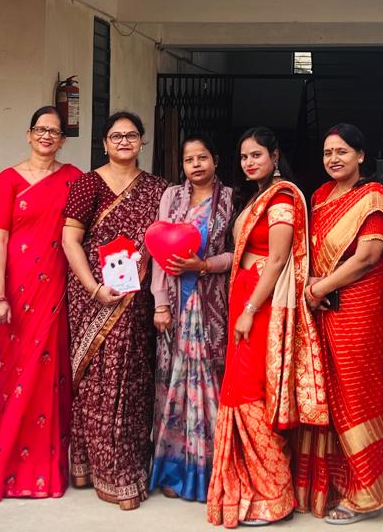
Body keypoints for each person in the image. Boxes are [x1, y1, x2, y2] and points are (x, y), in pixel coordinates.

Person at [295, 123, 383, 524]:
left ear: (361, 156)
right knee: (328, 394)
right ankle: (333, 485)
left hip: (360, 310)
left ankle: (367, 494)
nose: (334, 159)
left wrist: (318, 288)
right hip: (323, 309)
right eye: (328, 152)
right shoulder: (319, 196)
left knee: (357, 393)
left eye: (342, 151)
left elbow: (367, 257)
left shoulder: (373, 196)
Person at [207, 127, 327, 528]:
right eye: (244, 157)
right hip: (246, 294)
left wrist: (249, 309)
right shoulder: (257, 196)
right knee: (241, 389)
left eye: (256, 154)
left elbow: (276, 260)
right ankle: (254, 488)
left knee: (250, 392)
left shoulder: (281, 197)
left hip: (263, 303)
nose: (249, 162)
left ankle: (275, 493)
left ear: (275, 156)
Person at [62, 111, 169, 510]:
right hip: (93, 294)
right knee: (96, 383)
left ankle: (127, 468)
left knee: (132, 380)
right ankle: (94, 467)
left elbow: (165, 242)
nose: (124, 141)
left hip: (137, 299)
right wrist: (94, 288)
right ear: (105, 143)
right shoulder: (87, 184)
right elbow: (70, 240)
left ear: (142, 141)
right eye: (116, 136)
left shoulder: (159, 189)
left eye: (131, 135)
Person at [0, 106, 83, 501]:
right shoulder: (8, 180)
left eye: (54, 131)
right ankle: (5, 474)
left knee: (50, 378)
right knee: (16, 379)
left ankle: (48, 474)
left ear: (62, 140)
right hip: (16, 290)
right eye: (41, 129)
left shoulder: (74, 178)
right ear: (29, 135)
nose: (46, 136)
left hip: (57, 289)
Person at [149, 135, 234, 502]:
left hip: (211, 303)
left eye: (202, 157)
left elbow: (238, 253)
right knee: (173, 384)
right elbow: (157, 250)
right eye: (189, 159)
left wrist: (205, 265)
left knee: (210, 382)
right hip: (174, 302)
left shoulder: (230, 199)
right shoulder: (171, 197)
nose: (196, 165)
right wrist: (160, 303)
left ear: (215, 160)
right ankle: (173, 468)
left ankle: (210, 468)